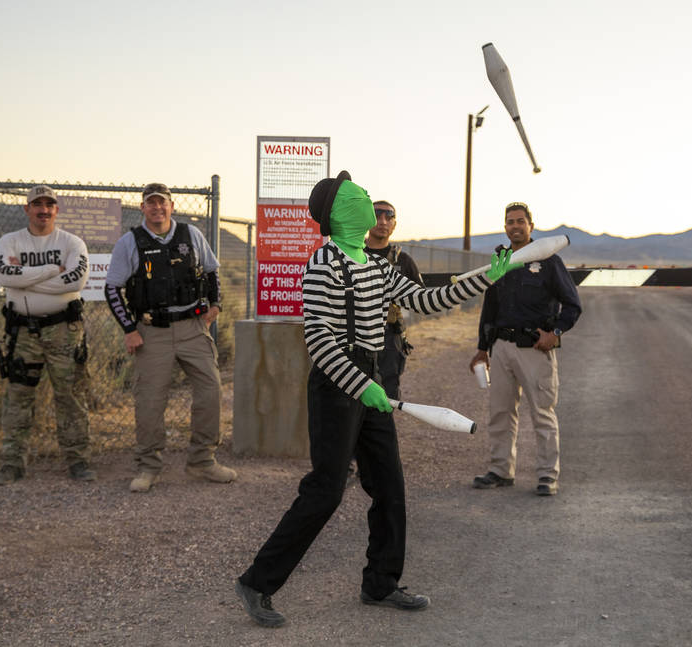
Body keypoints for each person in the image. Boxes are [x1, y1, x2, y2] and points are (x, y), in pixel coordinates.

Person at [234, 171, 521, 628]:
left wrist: (488, 276)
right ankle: (257, 582)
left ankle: (381, 583)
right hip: (336, 386)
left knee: (389, 487)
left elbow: (427, 299)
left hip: (373, 378)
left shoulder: (376, 263)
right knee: (325, 492)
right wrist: (360, 385)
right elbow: (319, 341)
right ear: (341, 211)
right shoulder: (321, 264)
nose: (369, 198)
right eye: (359, 195)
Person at [104, 182, 235, 493]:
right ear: (143, 208)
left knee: (210, 389)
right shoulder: (129, 242)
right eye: (151, 203)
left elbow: (212, 271)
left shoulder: (191, 235)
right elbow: (112, 289)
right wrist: (129, 330)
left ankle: (202, 462)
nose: (157, 208)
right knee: (149, 401)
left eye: (162, 203)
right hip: (152, 331)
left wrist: (215, 305)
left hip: (192, 328)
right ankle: (149, 466)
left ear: (171, 206)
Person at [468, 201, 582, 497]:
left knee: (542, 414)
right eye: (510, 222)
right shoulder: (500, 258)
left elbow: (573, 304)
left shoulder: (548, 260)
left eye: (520, 221)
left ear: (530, 225)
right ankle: (500, 470)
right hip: (502, 348)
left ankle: (547, 476)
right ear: (505, 226)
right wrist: (482, 349)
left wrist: (555, 333)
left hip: (534, 348)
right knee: (500, 413)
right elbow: (490, 306)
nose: (515, 226)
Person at [0, 185, 93, 485]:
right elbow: (3, 275)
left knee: (71, 396)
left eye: (49, 204)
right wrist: (50, 270)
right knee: (18, 396)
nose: (43, 210)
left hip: (64, 330)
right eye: (37, 204)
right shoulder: (10, 241)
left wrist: (25, 282)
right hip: (22, 330)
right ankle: (11, 463)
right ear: (27, 209)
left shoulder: (72, 242)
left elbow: (75, 281)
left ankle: (78, 461)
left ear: (57, 210)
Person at [364, 200, 423, 400]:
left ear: (394, 224)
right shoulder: (354, 256)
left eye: (388, 218)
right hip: (358, 337)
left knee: (387, 397)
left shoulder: (402, 261)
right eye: (377, 216)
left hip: (390, 338)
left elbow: (420, 298)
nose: (382, 222)